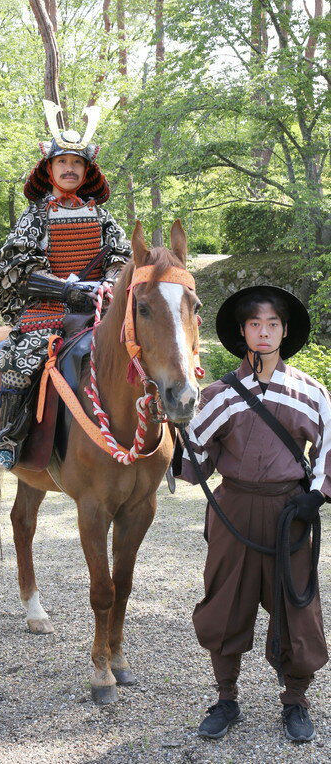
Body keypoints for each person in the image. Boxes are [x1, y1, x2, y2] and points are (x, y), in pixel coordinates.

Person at [178, 285, 330, 743]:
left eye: (272, 324)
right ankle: (226, 698)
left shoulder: (310, 391)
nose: (264, 332)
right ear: (242, 332)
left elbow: (328, 447)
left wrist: (316, 495)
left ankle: (296, 701)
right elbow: (195, 462)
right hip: (235, 510)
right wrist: (172, 426)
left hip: (290, 513)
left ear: (284, 331)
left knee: (297, 606)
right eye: (255, 324)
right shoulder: (217, 395)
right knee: (225, 603)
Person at [0, 101, 131, 469]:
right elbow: (17, 269)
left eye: (77, 162)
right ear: (48, 169)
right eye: (62, 162)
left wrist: (108, 284)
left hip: (101, 308)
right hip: (47, 310)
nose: (69, 168)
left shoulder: (102, 216)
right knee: (21, 358)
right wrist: (67, 291)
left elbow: (121, 258)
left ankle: (167, 431)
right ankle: (9, 437)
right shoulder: (35, 216)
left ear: (87, 170)